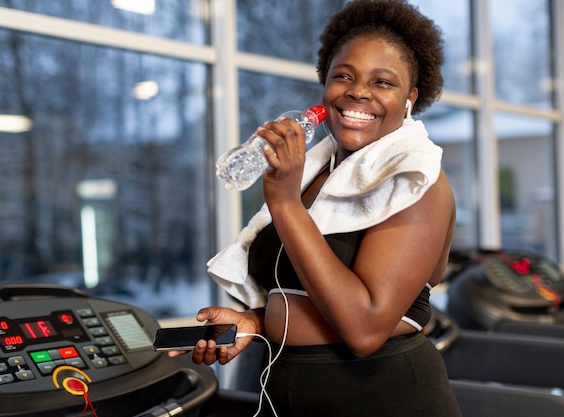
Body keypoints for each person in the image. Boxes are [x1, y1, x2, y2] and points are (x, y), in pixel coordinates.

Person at [170, 0, 461, 415]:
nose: (358, 91)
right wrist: (254, 321)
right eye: (343, 75)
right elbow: (297, 284)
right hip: (288, 388)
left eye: (383, 82)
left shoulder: (418, 181)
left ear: (410, 98)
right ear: (325, 85)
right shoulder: (319, 172)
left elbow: (364, 329)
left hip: (384, 397)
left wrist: (286, 203)